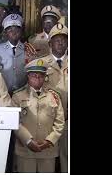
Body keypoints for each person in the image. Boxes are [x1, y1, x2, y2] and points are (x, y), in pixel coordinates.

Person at [12, 58, 65, 173]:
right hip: (25, 150)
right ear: (28, 76)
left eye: (41, 75)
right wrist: (28, 141)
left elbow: (60, 122)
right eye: (34, 75)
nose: (37, 78)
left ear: (45, 77)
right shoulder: (18, 96)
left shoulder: (53, 96)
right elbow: (15, 121)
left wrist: (49, 141)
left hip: (48, 151)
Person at [40, 22, 68, 173]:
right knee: (46, 159)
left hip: (68, 120)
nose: (60, 42)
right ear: (50, 43)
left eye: (64, 39)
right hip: (47, 120)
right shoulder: (41, 64)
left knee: (67, 159)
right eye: (57, 39)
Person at [0, 13, 27, 96]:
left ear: (21, 32)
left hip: (23, 95)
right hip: (2, 94)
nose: (13, 33)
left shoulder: (28, 49)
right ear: (5, 33)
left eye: (17, 30)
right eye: (10, 30)